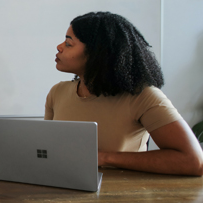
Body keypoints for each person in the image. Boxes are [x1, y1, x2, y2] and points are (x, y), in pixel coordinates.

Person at [45, 11, 203, 176]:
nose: (59, 47)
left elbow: (194, 161)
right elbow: (47, 152)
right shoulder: (57, 92)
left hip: (122, 197)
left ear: (98, 53)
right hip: (65, 191)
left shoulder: (144, 97)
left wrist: (103, 158)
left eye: (69, 44)